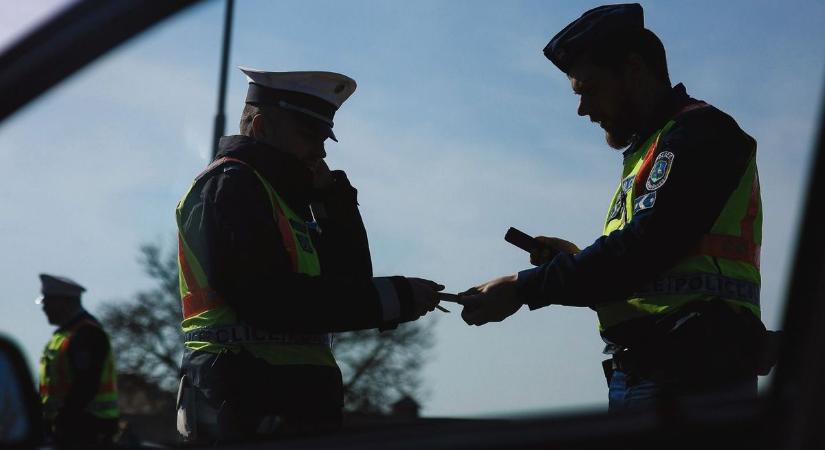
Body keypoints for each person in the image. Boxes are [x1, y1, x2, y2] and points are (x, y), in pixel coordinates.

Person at [459, 3, 772, 412]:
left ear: (633, 70)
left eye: (589, 89)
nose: (582, 109)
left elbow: (642, 251)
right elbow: (644, 267)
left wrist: (523, 288)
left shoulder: (700, 134)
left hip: (693, 373)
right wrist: (573, 262)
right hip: (652, 372)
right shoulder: (652, 148)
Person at [175, 67, 444, 443]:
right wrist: (395, 297)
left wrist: (334, 203)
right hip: (244, 401)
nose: (321, 152)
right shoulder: (231, 186)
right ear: (261, 128)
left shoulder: (281, 198)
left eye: (323, 140)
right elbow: (271, 300)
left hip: (281, 403)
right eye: (308, 136)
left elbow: (347, 284)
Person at [37, 274, 119, 447]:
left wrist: (63, 420)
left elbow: (86, 385)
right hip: (68, 431)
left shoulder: (87, 334)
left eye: (48, 302)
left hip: (87, 431)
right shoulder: (64, 335)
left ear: (65, 302)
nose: (44, 308)